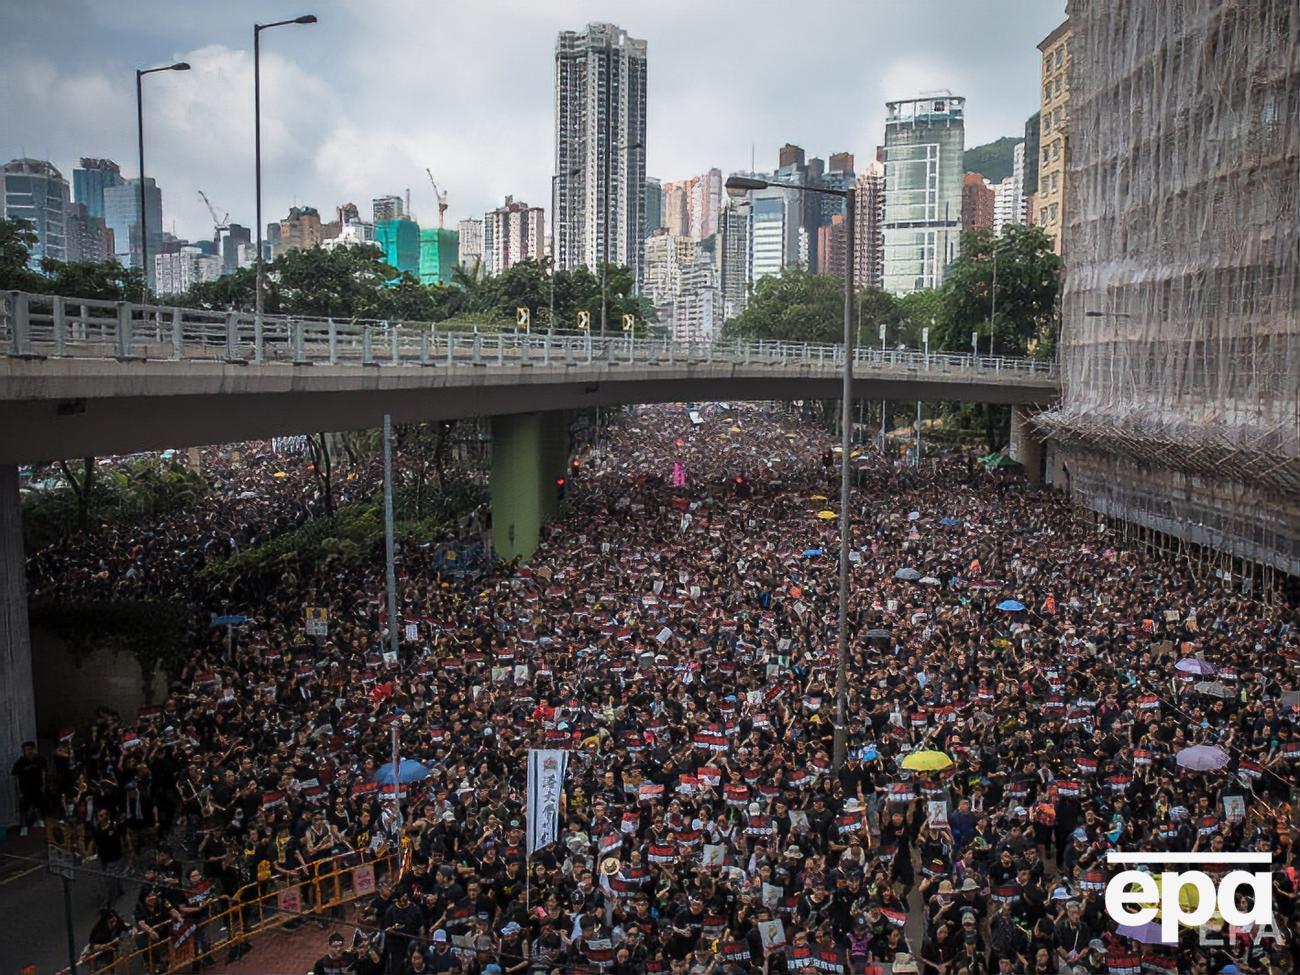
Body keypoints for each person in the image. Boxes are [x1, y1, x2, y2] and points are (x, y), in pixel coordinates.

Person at [11, 740, 46, 835]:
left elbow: (43, 771)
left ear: (33, 749)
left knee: (38, 805)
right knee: (24, 808)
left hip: (37, 787)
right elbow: (14, 775)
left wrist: (44, 785)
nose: (28, 751)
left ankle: (40, 821)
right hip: (25, 789)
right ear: (23, 751)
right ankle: (24, 826)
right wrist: (17, 791)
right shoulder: (20, 762)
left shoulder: (39, 759)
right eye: (25, 749)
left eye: (30, 749)